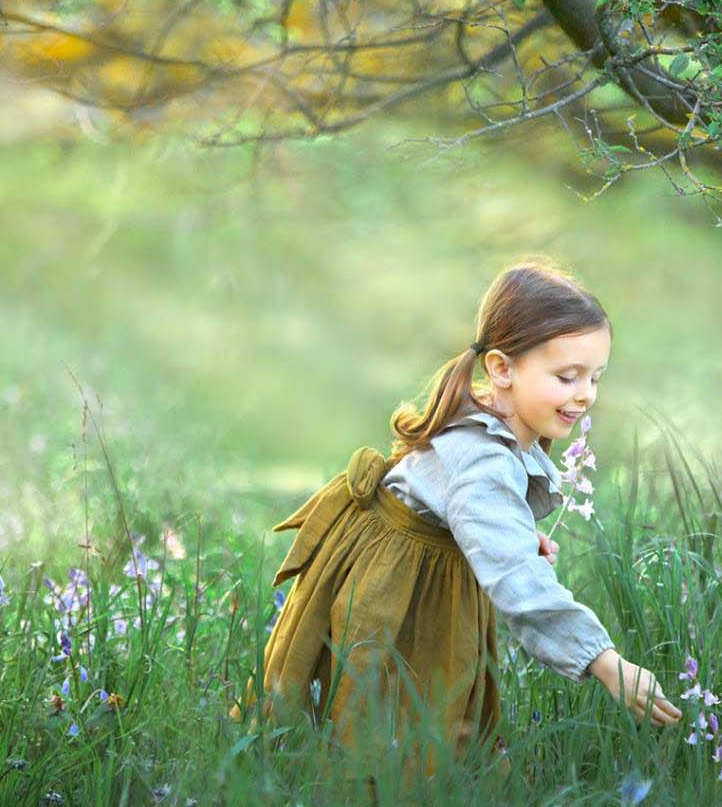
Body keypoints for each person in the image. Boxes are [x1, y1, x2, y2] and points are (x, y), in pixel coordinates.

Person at [259, 257, 682, 779]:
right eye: (566, 376)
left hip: (423, 575)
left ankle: (412, 792)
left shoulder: (495, 420)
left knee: (421, 713)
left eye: (595, 377)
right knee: (380, 711)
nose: (584, 394)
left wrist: (517, 530)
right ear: (502, 369)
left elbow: (467, 509)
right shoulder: (481, 458)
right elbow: (513, 576)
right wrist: (604, 661)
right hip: (393, 590)